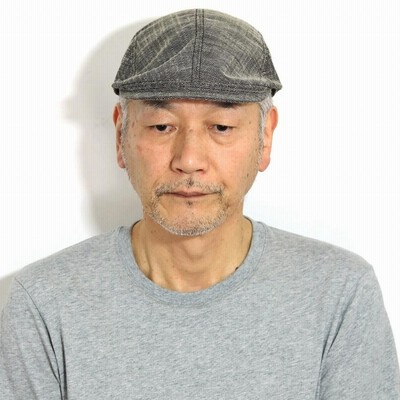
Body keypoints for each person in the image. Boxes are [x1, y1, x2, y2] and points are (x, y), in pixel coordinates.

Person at [1, 8, 399, 399]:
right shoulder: (44, 304)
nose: (189, 159)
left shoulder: (338, 295)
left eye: (221, 127)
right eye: (161, 126)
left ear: (265, 137)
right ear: (121, 134)